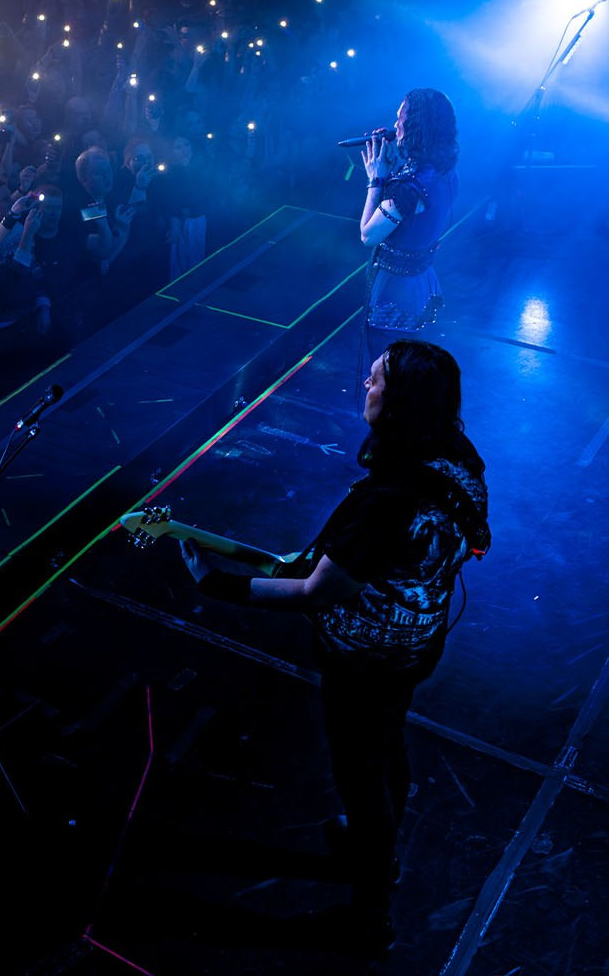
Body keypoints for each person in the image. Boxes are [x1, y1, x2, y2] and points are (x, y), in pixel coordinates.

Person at [179, 340, 489, 954]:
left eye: (375, 381)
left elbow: (317, 593)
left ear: (399, 401)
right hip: (417, 646)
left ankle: (370, 913)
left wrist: (218, 583)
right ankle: (381, 842)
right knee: (387, 744)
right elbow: (471, 541)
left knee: (360, 774)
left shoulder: (383, 500)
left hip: (363, 660)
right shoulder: (460, 460)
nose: (364, 387)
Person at [359, 89, 459, 337]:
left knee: (388, 364)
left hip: (395, 291)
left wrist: (376, 180)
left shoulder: (408, 188)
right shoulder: (444, 172)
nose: (394, 125)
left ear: (414, 126)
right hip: (421, 281)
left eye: (399, 119)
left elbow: (368, 235)